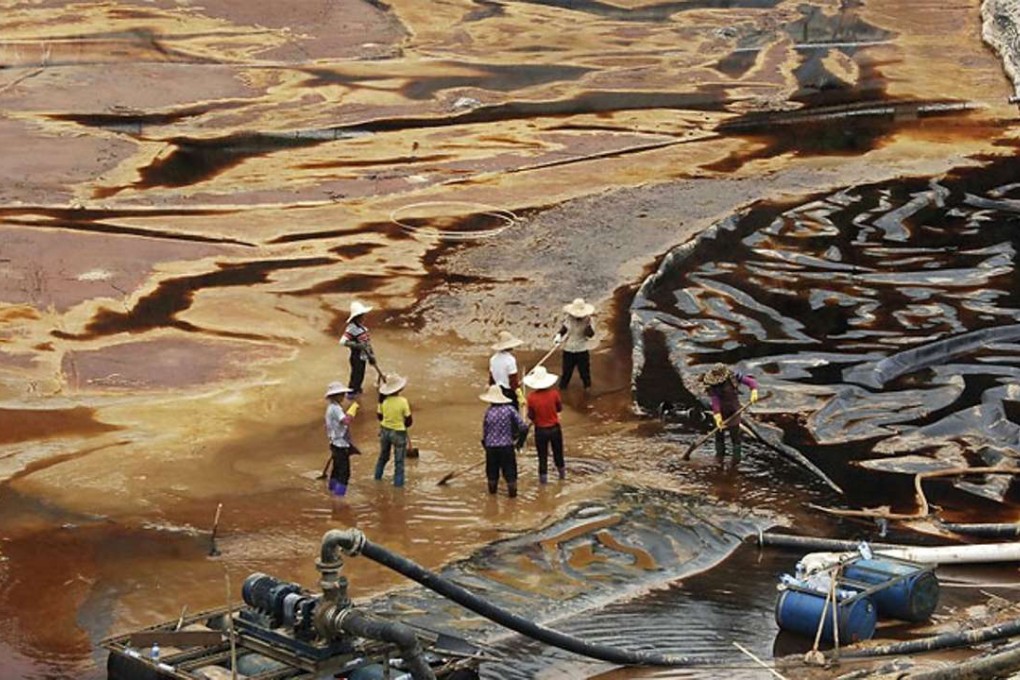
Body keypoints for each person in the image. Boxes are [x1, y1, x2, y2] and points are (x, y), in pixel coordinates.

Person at [702, 363, 759, 463]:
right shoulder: (713, 387)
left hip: (734, 410)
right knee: (719, 435)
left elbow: (751, 382)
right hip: (721, 411)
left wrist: (754, 391)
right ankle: (719, 456)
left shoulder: (734, 377)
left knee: (735, 435)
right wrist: (718, 417)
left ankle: (736, 459)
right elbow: (715, 402)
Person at [480, 384, 527, 497]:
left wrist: (487, 448)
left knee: (492, 475)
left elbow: (485, 435)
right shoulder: (509, 410)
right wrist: (519, 443)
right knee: (510, 474)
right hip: (506, 447)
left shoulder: (488, 412)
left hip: (491, 448)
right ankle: (512, 499)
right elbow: (523, 428)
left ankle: (492, 498)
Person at [524, 366, 565, 483]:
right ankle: (562, 478)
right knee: (558, 454)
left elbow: (531, 416)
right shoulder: (554, 394)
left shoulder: (531, 398)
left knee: (542, 458)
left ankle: (543, 484)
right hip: (555, 429)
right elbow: (559, 408)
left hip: (540, 430)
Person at [375, 374, 412, 487]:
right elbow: (409, 421)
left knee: (383, 457)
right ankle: (398, 487)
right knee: (399, 462)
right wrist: (402, 423)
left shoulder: (383, 402)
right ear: (399, 389)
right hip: (399, 433)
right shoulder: (403, 401)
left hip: (385, 431)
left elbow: (380, 417)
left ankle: (377, 478)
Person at [324, 381, 360, 497]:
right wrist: (353, 410)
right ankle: (339, 497)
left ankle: (332, 489)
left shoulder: (330, 408)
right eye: (342, 394)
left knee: (336, 469)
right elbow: (346, 421)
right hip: (340, 444)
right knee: (344, 473)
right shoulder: (336, 409)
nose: (344, 396)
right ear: (336, 396)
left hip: (334, 443)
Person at [555, 298, 596, 390]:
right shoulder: (568, 318)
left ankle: (587, 388)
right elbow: (564, 329)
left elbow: (590, 335)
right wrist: (558, 336)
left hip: (582, 349)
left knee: (584, 372)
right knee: (566, 372)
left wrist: (588, 326)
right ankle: (562, 389)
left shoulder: (589, 320)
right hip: (569, 349)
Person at [339, 300, 377, 396]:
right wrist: (357, 345)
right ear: (357, 317)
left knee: (360, 375)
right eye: (362, 315)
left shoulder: (362, 328)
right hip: (356, 357)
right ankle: (352, 393)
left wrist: (371, 356)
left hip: (363, 356)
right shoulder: (351, 328)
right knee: (356, 375)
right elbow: (343, 342)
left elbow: (367, 343)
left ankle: (357, 390)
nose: (364, 317)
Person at [489, 330, 523, 409]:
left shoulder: (493, 359)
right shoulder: (510, 360)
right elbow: (513, 381)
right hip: (509, 392)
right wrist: (520, 395)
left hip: (496, 392)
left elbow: (491, 380)